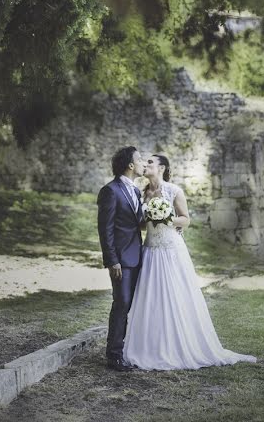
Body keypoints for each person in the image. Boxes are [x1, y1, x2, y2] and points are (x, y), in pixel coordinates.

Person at [123, 154, 257, 370]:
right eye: (145, 162)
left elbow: (185, 219)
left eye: (150, 162)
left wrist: (165, 218)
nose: (146, 165)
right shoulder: (142, 192)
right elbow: (141, 225)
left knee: (174, 296)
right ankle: (150, 346)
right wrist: (147, 219)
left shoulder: (174, 190)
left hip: (170, 250)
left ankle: (179, 346)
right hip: (150, 251)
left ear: (162, 168)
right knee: (151, 299)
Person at [97, 146, 145, 372]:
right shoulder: (110, 191)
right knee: (122, 302)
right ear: (130, 165)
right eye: (140, 159)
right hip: (121, 260)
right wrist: (112, 260)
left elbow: (137, 223)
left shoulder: (135, 191)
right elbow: (104, 229)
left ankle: (128, 350)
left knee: (134, 304)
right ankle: (113, 355)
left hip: (139, 256)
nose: (143, 162)